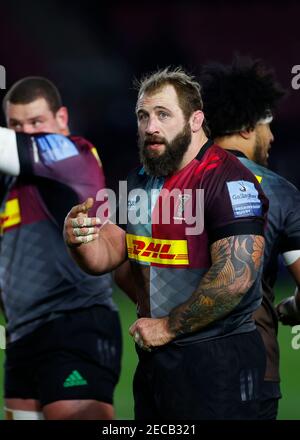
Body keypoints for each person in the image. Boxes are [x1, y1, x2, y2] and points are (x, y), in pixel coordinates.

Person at [64, 67, 269, 420]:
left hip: (217, 361)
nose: (150, 127)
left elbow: (235, 276)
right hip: (156, 361)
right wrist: (80, 239)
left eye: (162, 114)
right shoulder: (139, 180)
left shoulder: (228, 178)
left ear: (195, 120)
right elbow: (114, 253)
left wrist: (168, 326)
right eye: (143, 116)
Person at [0, 77, 122, 420]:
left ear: (62, 119)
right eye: (16, 126)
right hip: (22, 335)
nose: (27, 134)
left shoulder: (72, 154)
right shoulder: (11, 183)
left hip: (74, 325)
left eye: (36, 123)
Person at [200, 58, 300, 419]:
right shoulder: (278, 190)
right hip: (252, 370)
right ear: (247, 126)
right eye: (266, 124)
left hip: (175, 367)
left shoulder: (171, 185)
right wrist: (293, 307)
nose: (272, 137)